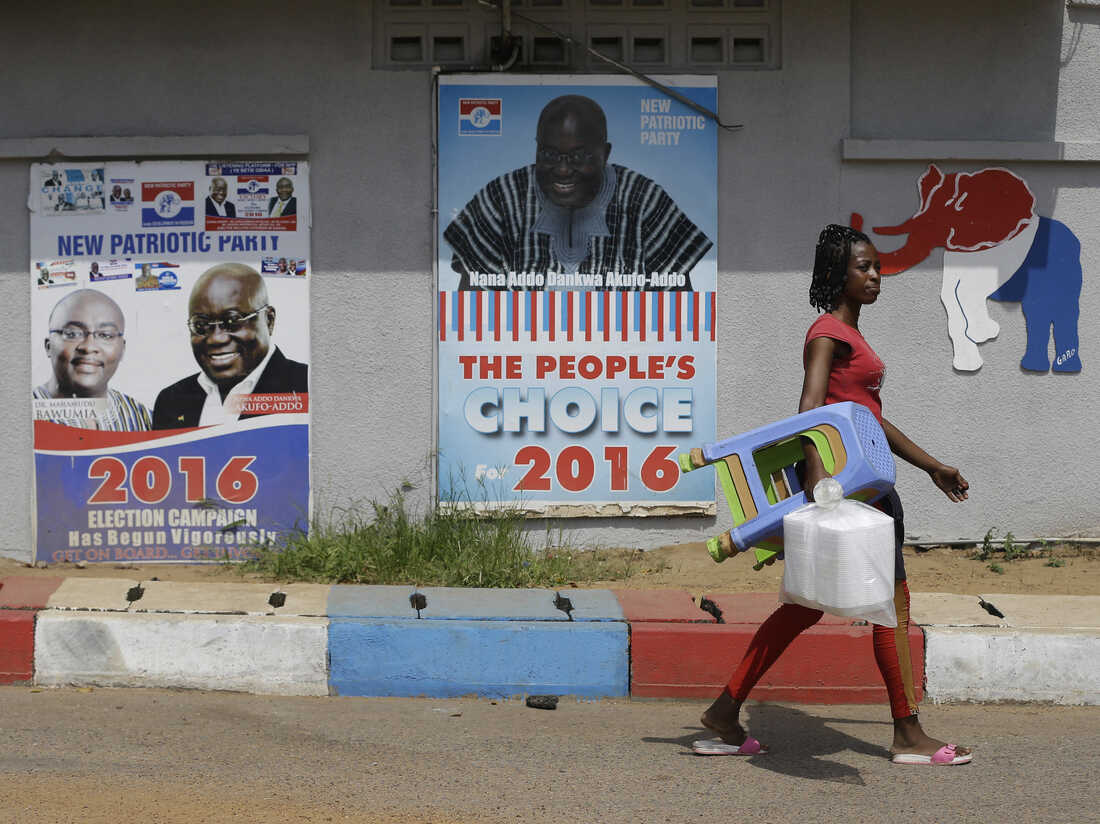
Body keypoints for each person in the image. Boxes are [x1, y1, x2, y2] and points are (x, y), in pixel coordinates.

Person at [694, 224, 972, 766]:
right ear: (837, 275)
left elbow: (870, 420)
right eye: (863, 267)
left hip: (862, 487)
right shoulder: (827, 332)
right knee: (893, 606)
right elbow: (811, 412)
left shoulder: (853, 333)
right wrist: (822, 491)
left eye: (876, 266)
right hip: (851, 494)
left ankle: (725, 714)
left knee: (803, 605)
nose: (876, 275)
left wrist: (930, 465)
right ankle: (908, 735)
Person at [443, 94, 711, 291]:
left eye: (578, 156)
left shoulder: (643, 201)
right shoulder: (502, 199)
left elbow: (680, 308)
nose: (561, 169)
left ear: (605, 154)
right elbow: (469, 310)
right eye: (549, 154)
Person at [152, 263, 308, 428]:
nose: (216, 339)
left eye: (233, 320)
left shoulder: (308, 387)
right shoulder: (171, 401)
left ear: (269, 320)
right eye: (201, 325)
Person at [33, 289, 151, 431]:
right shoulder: (20, 414)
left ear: (122, 350)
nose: (89, 347)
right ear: (48, 346)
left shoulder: (143, 419)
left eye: (106, 335)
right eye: (72, 334)